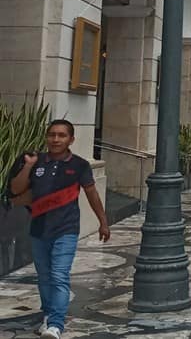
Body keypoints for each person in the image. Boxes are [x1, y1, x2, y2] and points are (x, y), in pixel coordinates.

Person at [10, 119, 110, 339]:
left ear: (71, 139)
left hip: (66, 229)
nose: (56, 139)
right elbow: (15, 189)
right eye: (52, 134)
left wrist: (103, 221)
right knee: (44, 277)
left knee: (59, 275)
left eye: (61, 135)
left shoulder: (80, 165)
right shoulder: (37, 162)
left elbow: (91, 194)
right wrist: (28, 166)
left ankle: (56, 324)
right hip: (38, 229)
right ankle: (48, 314)